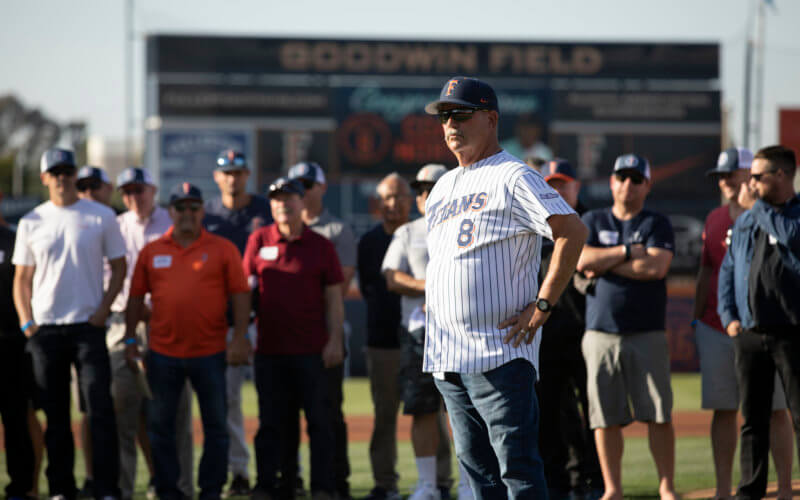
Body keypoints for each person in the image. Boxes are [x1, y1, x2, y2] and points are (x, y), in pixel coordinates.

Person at [422, 76, 587, 499]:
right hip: (447, 353)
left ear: (491, 118)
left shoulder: (515, 176)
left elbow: (571, 232)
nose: (450, 123)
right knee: (477, 476)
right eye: (444, 115)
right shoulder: (441, 187)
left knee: (518, 472)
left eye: (461, 113)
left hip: (499, 351)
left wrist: (544, 303)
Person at [126, 182, 252, 500]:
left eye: (193, 207)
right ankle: (170, 490)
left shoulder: (222, 248)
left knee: (217, 428)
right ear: (170, 212)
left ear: (202, 211)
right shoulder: (152, 250)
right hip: (163, 352)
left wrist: (239, 336)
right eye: (180, 207)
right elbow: (136, 297)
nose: (186, 213)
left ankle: (210, 490)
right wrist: (129, 339)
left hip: (210, 350)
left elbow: (240, 294)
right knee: (161, 428)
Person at [13, 148, 126, 500]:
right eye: (55, 172)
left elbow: (119, 267)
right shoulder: (32, 221)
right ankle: (63, 488)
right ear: (45, 177)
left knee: (99, 409)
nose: (62, 177)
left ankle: (106, 488)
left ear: (75, 175)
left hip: (87, 328)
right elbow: (22, 279)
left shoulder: (101, 216)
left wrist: (103, 312)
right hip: (45, 330)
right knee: (56, 414)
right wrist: (26, 322)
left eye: (67, 171)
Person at [693, 148, 794, 500]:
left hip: (788, 330)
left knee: (789, 412)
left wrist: (758, 206)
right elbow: (725, 270)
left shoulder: (786, 213)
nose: (744, 183)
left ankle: (787, 487)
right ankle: (742, 490)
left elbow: (791, 241)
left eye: (756, 176)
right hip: (744, 332)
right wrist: (726, 316)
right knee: (747, 417)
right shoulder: (734, 219)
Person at [576, 154, 677, 500]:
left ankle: (666, 486)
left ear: (647, 184)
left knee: (658, 414)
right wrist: (627, 251)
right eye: (622, 178)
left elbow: (655, 268)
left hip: (647, 331)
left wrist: (606, 262)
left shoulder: (657, 223)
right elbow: (582, 260)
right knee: (604, 418)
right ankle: (613, 489)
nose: (628, 185)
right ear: (611, 181)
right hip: (600, 332)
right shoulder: (592, 218)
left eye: (636, 179)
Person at [244, 177, 345, 500]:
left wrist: (335, 341)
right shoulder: (259, 240)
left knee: (319, 422)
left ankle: (322, 486)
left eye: (288, 198)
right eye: (275, 199)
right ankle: (272, 484)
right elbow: (244, 293)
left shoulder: (321, 245)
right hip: (270, 351)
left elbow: (334, 298)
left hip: (312, 350)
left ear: (303, 203)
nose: (282, 205)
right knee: (273, 423)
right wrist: (240, 335)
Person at [110, 167, 195, 500]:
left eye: (139, 190)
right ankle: (121, 490)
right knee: (123, 414)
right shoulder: (115, 227)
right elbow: (108, 277)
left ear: (153, 190)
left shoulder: (172, 224)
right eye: (127, 191)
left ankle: (180, 489)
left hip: (168, 325)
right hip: (123, 325)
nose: (134, 196)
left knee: (176, 416)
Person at [381, 164, 464, 500]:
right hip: (419, 335)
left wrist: (443, 292)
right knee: (421, 409)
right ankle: (428, 484)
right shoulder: (408, 231)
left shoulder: (467, 226)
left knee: (464, 410)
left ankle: (471, 485)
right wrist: (431, 288)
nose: (425, 195)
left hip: (461, 331)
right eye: (420, 190)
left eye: (432, 187)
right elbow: (392, 277)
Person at [204, 149, 272, 497]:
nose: (233, 178)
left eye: (238, 172)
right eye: (226, 172)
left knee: (274, 400)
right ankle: (240, 472)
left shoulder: (264, 209)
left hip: (267, 319)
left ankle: (283, 472)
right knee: (228, 401)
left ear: (247, 174)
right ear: (218, 177)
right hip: (223, 323)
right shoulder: (207, 215)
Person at [286, 161, 356, 500]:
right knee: (287, 412)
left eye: (308, 184)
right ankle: (294, 478)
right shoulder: (282, 227)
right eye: (296, 184)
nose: (302, 189)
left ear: (321, 188)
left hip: (325, 333)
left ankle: (335, 480)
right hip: (288, 337)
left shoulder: (336, 231)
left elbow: (338, 290)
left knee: (328, 411)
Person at [535, 159, 602, 500]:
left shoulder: (594, 222)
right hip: (544, 336)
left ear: (577, 187)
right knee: (548, 413)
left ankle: (591, 480)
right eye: (551, 184)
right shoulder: (534, 222)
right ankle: (556, 482)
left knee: (592, 412)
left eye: (563, 184)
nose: (556, 190)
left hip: (586, 332)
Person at [358, 173, 413, 500]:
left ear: (410, 200)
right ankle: (385, 484)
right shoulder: (369, 242)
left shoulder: (424, 235)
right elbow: (369, 289)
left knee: (431, 414)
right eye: (387, 197)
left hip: (424, 340)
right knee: (383, 416)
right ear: (378, 203)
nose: (393, 203)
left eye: (399, 196)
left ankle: (440, 482)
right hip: (383, 341)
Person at [0, 187, 36, 499]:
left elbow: (28, 285)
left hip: (11, 344)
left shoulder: (14, 238)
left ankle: (21, 488)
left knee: (16, 420)